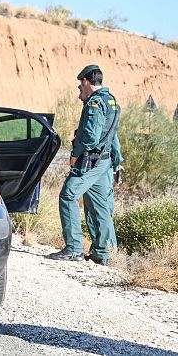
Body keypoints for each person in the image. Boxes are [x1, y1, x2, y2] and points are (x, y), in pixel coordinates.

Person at [48, 64, 123, 266]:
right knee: (99, 206)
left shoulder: (95, 103)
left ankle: (73, 249)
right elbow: (112, 135)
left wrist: (75, 154)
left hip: (90, 161)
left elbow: (91, 137)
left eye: (81, 87)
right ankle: (104, 253)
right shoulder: (112, 101)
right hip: (104, 162)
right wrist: (117, 162)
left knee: (68, 195)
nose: (80, 92)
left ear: (85, 81)